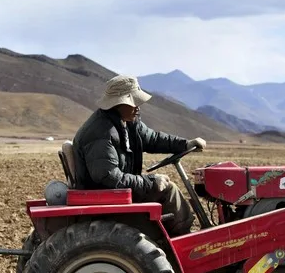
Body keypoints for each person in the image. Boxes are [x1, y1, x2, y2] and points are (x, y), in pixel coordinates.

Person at [72, 74, 207, 236]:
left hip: (116, 191)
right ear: (119, 103)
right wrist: (150, 182)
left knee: (165, 187)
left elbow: (153, 139)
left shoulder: (126, 122)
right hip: (106, 196)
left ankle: (176, 238)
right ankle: (185, 241)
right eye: (134, 102)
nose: (138, 107)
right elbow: (108, 177)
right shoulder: (100, 133)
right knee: (168, 190)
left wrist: (185, 144)